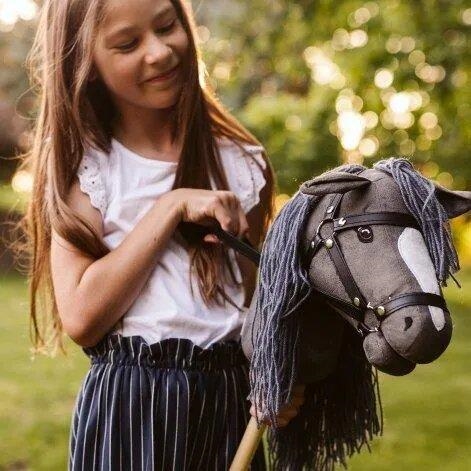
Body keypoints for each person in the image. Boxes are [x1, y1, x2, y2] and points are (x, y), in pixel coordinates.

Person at [18, 0, 305, 469]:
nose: (159, 52)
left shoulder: (241, 161)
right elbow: (81, 316)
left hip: (227, 401)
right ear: (86, 65)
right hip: (129, 402)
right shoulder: (86, 166)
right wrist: (170, 207)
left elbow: (259, 308)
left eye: (167, 26)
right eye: (128, 44)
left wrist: (276, 377)